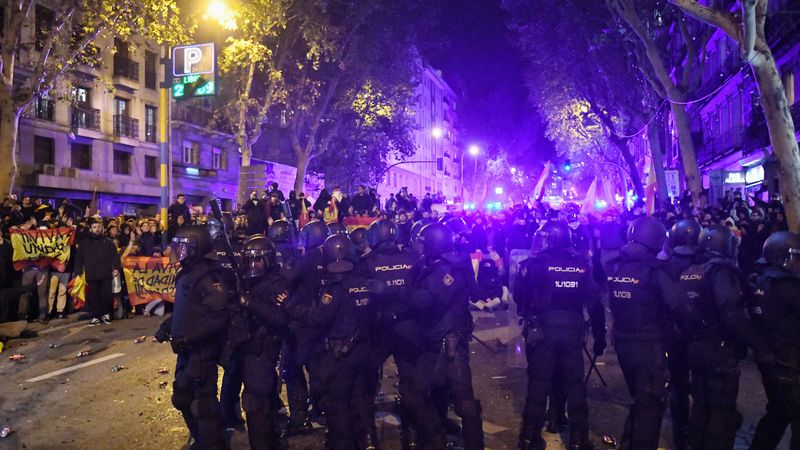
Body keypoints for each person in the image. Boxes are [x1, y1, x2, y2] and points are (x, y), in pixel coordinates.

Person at [514, 221, 605, 450]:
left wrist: (530, 312)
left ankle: (528, 437)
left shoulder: (534, 263)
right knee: (574, 386)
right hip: (572, 332)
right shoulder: (580, 264)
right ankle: (578, 440)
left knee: (537, 385)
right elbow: (595, 303)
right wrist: (600, 337)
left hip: (541, 331)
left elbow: (519, 296)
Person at [363, 219, 442, 448]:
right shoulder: (412, 258)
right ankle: (412, 436)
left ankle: (369, 438)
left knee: (365, 384)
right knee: (411, 386)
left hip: (379, 331)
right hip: (409, 329)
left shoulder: (367, 262)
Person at [409, 222, 484, 450]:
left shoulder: (448, 270)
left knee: (462, 401)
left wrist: (401, 293)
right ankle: (436, 438)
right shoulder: (435, 264)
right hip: (433, 339)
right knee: (434, 393)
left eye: (424, 243)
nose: (419, 247)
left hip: (449, 343)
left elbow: (427, 300)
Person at [157, 225, 233, 450]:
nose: (180, 252)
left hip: (201, 351)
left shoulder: (208, 276)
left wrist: (190, 337)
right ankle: (203, 440)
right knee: (182, 398)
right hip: (186, 349)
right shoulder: (188, 271)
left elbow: (219, 317)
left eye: (185, 248)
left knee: (203, 404)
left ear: (197, 248)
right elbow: (187, 308)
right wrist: (167, 327)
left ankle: (212, 445)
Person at [604, 217, 671, 450]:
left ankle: (629, 441)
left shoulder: (614, 266)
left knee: (640, 399)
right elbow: (680, 307)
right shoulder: (655, 271)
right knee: (650, 405)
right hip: (648, 345)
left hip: (623, 342)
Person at [307, 234, 377, 449]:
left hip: (340, 355)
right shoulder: (364, 283)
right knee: (361, 400)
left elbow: (319, 319)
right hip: (364, 352)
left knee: (338, 406)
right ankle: (368, 441)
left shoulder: (333, 288)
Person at [238, 236, 291, 449]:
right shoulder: (244, 281)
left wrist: (252, 304)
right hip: (245, 347)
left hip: (263, 348)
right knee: (262, 400)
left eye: (258, 260)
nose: (253, 265)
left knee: (256, 402)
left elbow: (281, 319)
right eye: (249, 261)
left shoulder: (277, 284)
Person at [748, 231, 800, 449]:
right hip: (789, 362)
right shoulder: (786, 286)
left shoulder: (759, 280)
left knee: (778, 413)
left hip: (770, 360)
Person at [282, 220, 330, 434]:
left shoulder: (304, 260)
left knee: (292, 370)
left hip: (302, 322)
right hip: (324, 320)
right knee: (319, 369)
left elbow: (286, 279)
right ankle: (322, 409)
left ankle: (300, 417)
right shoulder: (332, 258)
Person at [663, 219, 703, 450]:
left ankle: (681, 433)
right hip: (700, 334)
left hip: (674, 335)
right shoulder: (708, 264)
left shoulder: (665, 266)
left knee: (678, 384)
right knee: (702, 385)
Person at [73, 217, 122, 326]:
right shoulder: (84, 243)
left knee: (106, 296)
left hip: (106, 274)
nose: (97, 229)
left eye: (99, 227)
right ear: (90, 229)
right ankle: (95, 316)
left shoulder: (108, 242)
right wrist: (78, 273)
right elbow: (79, 259)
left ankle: (106, 314)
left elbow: (115, 257)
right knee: (93, 296)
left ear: (102, 228)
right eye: (94, 227)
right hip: (91, 275)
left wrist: (116, 268)